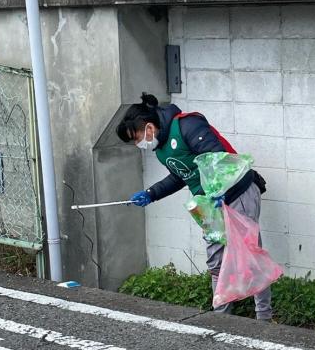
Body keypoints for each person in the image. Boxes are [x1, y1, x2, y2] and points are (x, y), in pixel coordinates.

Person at [116, 93, 272, 320]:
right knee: (216, 261)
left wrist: (220, 190)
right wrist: (151, 194)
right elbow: (181, 175)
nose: (138, 143)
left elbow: (216, 157)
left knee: (250, 256)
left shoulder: (187, 125)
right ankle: (222, 318)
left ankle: (264, 319)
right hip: (210, 205)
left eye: (136, 137)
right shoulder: (162, 150)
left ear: (148, 126)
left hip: (237, 192)